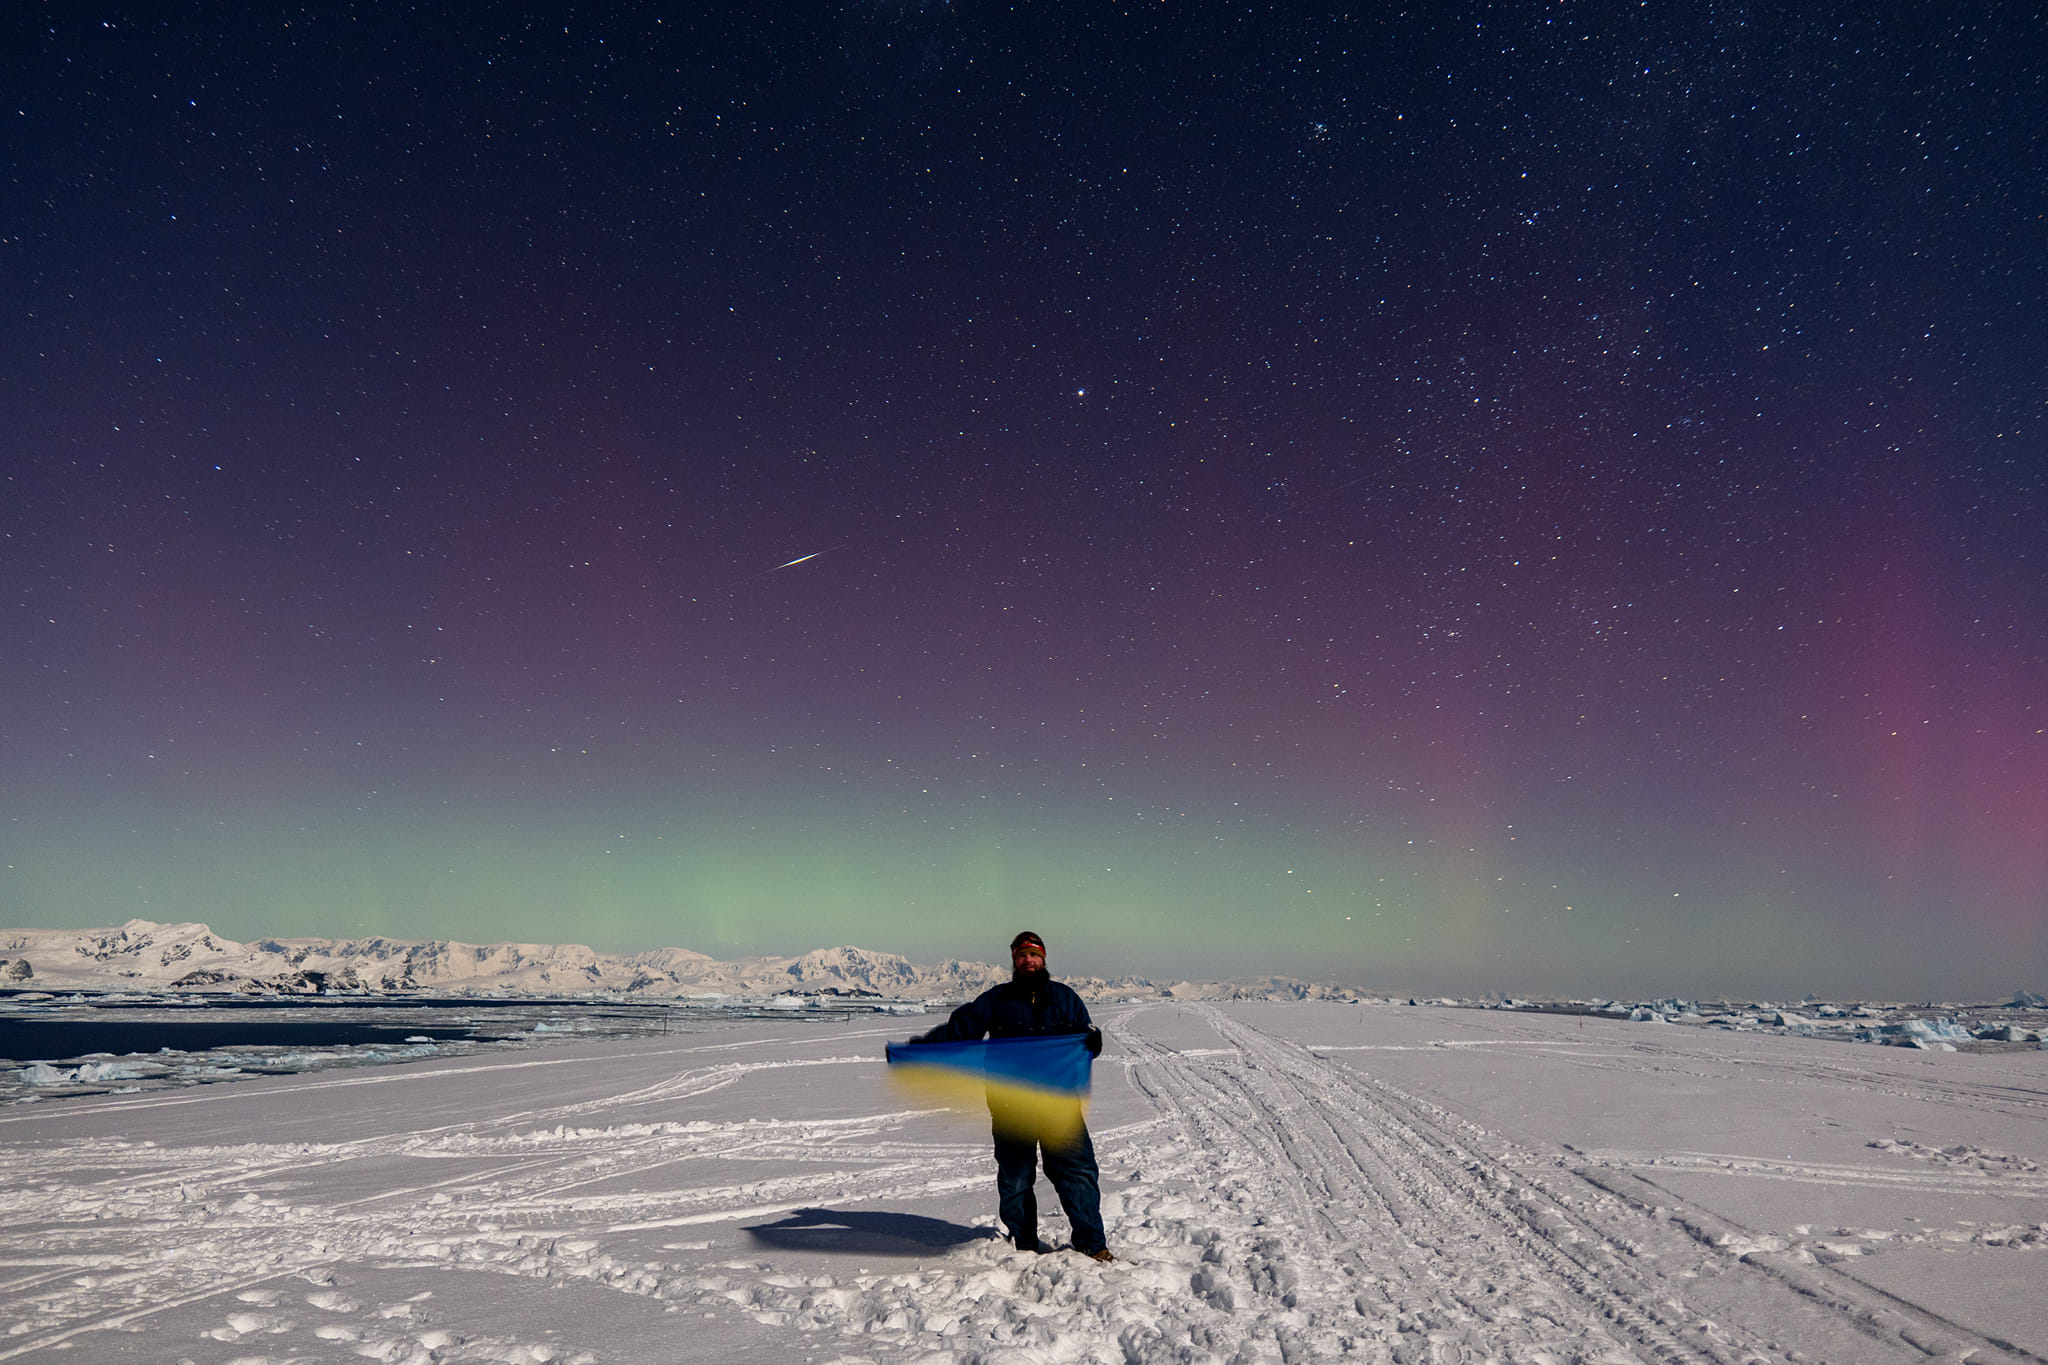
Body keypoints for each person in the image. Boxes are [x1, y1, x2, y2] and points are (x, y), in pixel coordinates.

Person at [909, 931, 1113, 1261]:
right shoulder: (996, 1000)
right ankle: (1024, 1243)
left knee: (1077, 1173)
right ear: (1014, 961)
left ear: (1043, 959)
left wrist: (1093, 1041)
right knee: (1016, 1179)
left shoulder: (1065, 998)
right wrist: (923, 1048)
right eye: (1021, 956)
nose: (1028, 961)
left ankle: (1092, 1242)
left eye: (1033, 955)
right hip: (1011, 1106)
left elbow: (1087, 1036)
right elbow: (962, 1029)